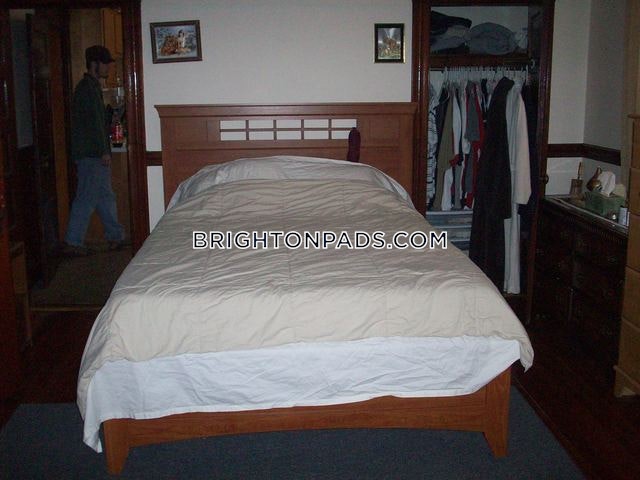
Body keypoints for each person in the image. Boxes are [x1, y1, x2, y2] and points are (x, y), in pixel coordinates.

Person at [62, 45, 124, 256]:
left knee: (105, 197)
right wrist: (103, 151)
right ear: (94, 64)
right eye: (105, 63)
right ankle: (73, 241)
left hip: (91, 152)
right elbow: (94, 124)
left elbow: (97, 120)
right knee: (86, 198)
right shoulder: (87, 89)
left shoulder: (90, 87)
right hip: (91, 154)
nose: (108, 67)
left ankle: (116, 236)